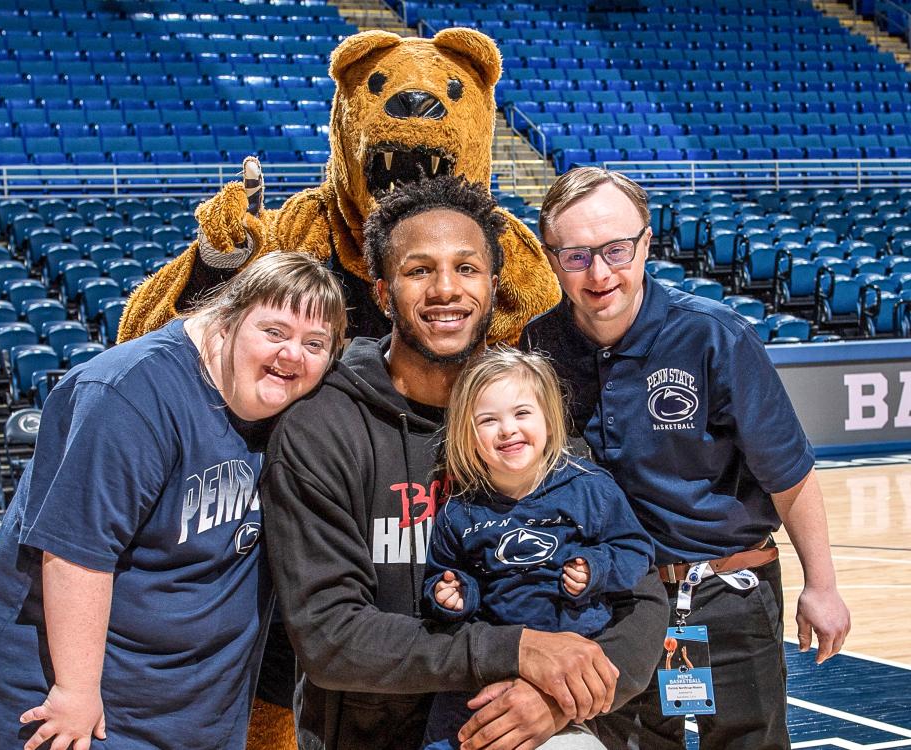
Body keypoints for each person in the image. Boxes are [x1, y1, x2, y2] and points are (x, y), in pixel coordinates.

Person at [261, 174, 669, 750]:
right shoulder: (323, 428)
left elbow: (640, 590)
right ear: (382, 292)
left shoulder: (523, 415)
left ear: (495, 286)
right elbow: (330, 638)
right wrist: (512, 649)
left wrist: (559, 697)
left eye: (467, 268)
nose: (445, 289)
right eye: (419, 270)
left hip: (526, 726)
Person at [0, 252, 348, 750]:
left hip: (188, 704)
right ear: (226, 321)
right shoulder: (129, 393)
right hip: (72, 696)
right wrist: (75, 692)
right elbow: (75, 555)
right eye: (274, 332)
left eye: (315, 344)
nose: (292, 355)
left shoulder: (290, 405)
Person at [522, 166, 851, 750]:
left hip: (728, 596)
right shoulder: (538, 348)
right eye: (576, 256)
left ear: (646, 243)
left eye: (616, 250)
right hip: (606, 605)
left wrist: (820, 586)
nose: (599, 273)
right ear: (551, 258)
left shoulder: (714, 336)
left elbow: (789, 473)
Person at [419, 347, 655, 750]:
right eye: (488, 421)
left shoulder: (590, 488)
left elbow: (636, 550)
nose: (507, 429)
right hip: (486, 671)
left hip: (569, 667)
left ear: (548, 417)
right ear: (467, 434)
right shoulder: (459, 511)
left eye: (522, 413)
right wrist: (453, 593)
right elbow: (443, 577)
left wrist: (597, 568)